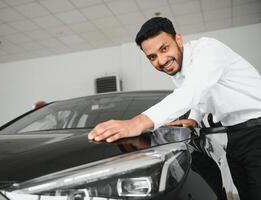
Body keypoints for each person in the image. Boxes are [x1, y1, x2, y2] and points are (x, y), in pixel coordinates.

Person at [88, 17, 261, 199]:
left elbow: (193, 90)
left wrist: (136, 123)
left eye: (164, 49)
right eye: (152, 57)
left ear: (178, 39)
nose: (161, 61)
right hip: (234, 137)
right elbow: (202, 97)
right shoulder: (179, 71)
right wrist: (194, 119)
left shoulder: (208, 50)